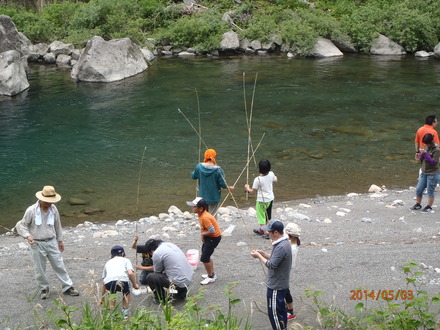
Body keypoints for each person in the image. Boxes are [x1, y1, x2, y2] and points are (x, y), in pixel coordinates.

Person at [18, 185, 79, 300]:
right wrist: (28, 236)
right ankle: (44, 288)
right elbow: (23, 225)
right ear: (42, 199)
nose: (50, 203)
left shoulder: (53, 209)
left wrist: (60, 240)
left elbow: (57, 225)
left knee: (59, 264)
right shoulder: (31, 210)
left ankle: (67, 287)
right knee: (39, 268)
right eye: (48, 201)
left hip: (51, 241)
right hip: (37, 242)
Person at [251, 220, 292, 330]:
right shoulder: (284, 243)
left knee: (274, 314)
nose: (267, 233)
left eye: (269, 231)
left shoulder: (281, 247)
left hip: (276, 286)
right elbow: (276, 258)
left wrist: (259, 257)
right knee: (281, 311)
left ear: (276, 233)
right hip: (281, 284)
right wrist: (263, 253)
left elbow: (271, 265)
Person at [144, 239, 193, 304]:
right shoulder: (169, 244)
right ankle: (181, 291)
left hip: (179, 282)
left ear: (151, 251)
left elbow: (157, 272)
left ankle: (160, 299)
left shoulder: (157, 253)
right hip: (188, 278)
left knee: (150, 277)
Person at [186, 197, 222, 285]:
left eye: (194, 207)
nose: (192, 208)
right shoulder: (201, 215)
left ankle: (211, 277)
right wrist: (203, 234)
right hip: (209, 237)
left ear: (201, 208)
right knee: (206, 255)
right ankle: (212, 273)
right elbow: (204, 229)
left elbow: (212, 231)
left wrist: (203, 234)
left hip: (213, 238)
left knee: (204, 258)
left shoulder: (205, 217)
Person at [191, 148, 235, 216]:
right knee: (212, 217)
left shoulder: (199, 167)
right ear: (215, 157)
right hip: (213, 198)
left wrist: (197, 171)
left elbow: (193, 176)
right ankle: (212, 227)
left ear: (205, 156)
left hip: (202, 198)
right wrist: (229, 187)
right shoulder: (218, 170)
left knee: (204, 216)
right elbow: (223, 185)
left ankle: (204, 227)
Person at [99, 246, 139, 319]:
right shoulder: (126, 260)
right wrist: (135, 284)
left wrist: (102, 298)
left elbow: (104, 281)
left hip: (109, 281)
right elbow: (130, 273)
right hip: (122, 280)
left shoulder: (108, 262)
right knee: (126, 292)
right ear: (123, 253)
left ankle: (112, 313)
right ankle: (125, 312)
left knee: (112, 293)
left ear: (111, 255)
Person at [245, 159, 278, 239]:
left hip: (261, 201)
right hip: (270, 199)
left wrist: (247, 188)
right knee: (267, 215)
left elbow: (253, 191)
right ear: (269, 168)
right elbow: (275, 181)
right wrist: (275, 177)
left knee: (261, 217)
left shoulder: (257, 179)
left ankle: (266, 232)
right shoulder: (271, 174)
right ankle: (263, 229)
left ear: (259, 169)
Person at [411, 133, 440, 213]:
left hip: (433, 173)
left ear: (432, 141)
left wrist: (425, 154)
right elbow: (423, 158)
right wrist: (419, 156)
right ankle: (418, 204)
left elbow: (433, 162)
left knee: (430, 191)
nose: (427, 145)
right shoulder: (426, 146)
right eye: (425, 143)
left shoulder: (437, 150)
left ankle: (429, 206)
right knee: (419, 189)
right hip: (424, 172)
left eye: (428, 143)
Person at [284, 222, 301, 320]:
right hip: (289, 268)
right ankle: (290, 309)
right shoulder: (296, 242)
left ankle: (289, 312)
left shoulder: (290, 247)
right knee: (286, 289)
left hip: (286, 269)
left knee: (284, 290)